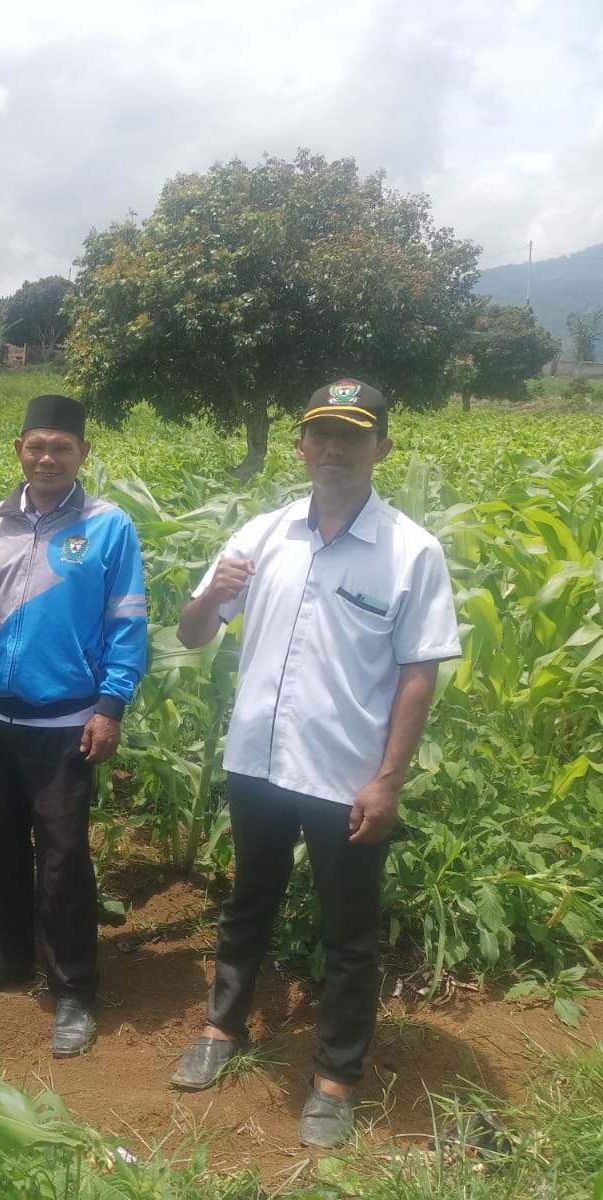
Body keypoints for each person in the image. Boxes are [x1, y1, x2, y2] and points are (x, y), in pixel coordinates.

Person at [170, 379, 460, 1148]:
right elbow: (194, 632)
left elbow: (418, 672)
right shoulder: (262, 534)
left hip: (345, 776)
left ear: (381, 450)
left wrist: (389, 778)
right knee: (247, 902)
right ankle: (221, 1028)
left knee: (350, 931)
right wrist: (211, 598)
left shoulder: (410, 551)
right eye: (320, 433)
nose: (333, 448)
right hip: (259, 761)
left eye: (352, 435)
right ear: (300, 445)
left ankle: (335, 1078)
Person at [0, 393, 148, 1057]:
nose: (48, 457)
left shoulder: (110, 526)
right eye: (37, 445)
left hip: (64, 720)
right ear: (19, 451)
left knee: (62, 861)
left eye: (62, 447)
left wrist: (111, 705)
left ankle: (75, 992)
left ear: (83, 454)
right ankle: (6, 958)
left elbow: (127, 621)